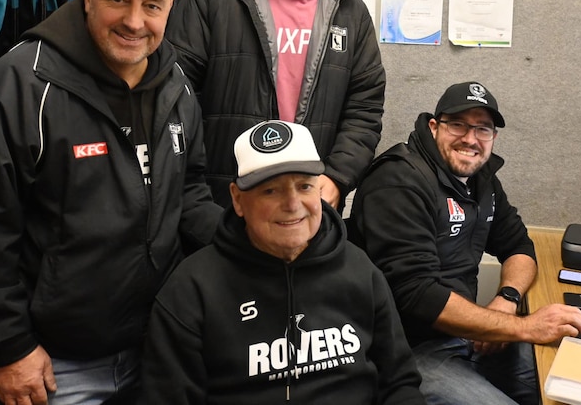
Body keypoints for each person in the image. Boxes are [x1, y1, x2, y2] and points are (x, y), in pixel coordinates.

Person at [0, 0, 222, 405]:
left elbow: (188, 189)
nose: (135, 21)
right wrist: (10, 347)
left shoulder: (177, 86)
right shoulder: (17, 88)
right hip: (55, 366)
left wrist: (247, 237)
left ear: (170, 7)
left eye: (152, 5)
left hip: (159, 346)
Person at [139, 120, 425, 405]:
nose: (292, 204)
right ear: (237, 200)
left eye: (304, 186)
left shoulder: (361, 270)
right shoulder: (192, 289)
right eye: (270, 190)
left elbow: (399, 383)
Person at [348, 81, 581, 405]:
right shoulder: (398, 182)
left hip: (465, 336)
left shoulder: (482, 179)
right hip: (406, 352)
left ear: (493, 137)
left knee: (576, 384)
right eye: (458, 125)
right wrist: (522, 327)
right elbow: (417, 295)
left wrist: (506, 299)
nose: (470, 138)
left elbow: (519, 246)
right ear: (435, 127)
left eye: (482, 129)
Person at [165, 0, 385, 210]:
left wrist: (336, 177)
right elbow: (175, 101)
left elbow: (364, 107)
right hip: (223, 204)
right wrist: (195, 191)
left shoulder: (349, 8)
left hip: (311, 206)